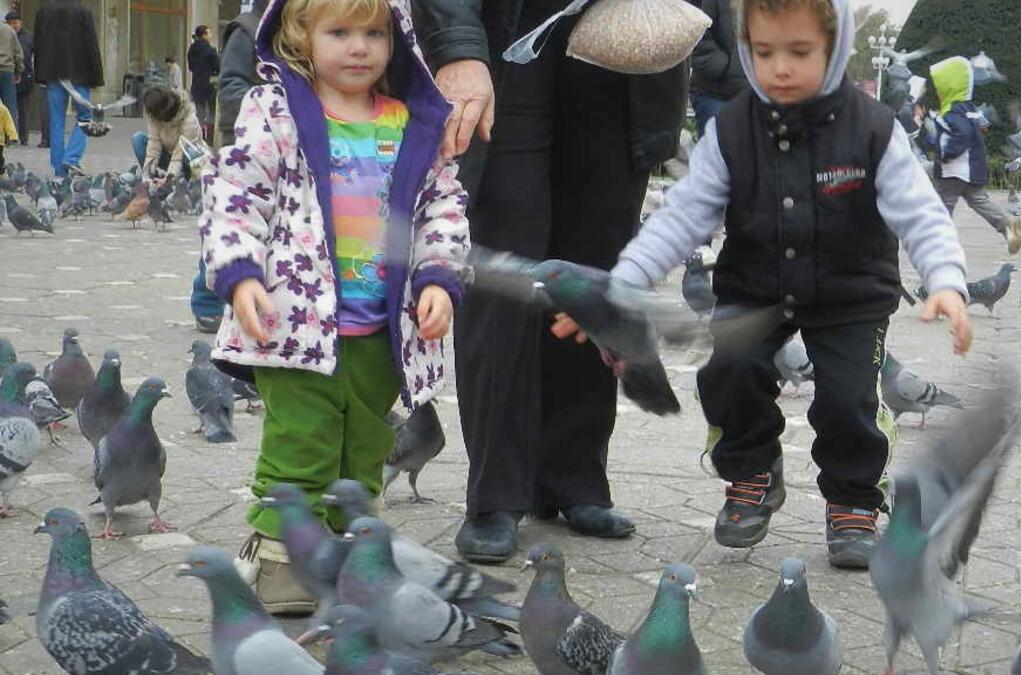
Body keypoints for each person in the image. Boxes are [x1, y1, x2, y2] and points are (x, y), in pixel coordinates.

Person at [556, 0, 971, 569]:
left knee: (849, 400)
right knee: (729, 370)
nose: (779, 68)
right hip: (754, 287)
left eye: (799, 52)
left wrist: (945, 279)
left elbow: (920, 212)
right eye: (763, 52)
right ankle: (751, 473)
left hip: (851, 295)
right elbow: (681, 217)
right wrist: (622, 284)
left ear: (834, 48)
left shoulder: (873, 129)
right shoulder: (731, 128)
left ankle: (852, 501)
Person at [200, 0, 469, 613]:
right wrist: (242, 278)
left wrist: (437, 278)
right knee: (302, 441)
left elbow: (442, 208)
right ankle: (280, 558)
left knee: (367, 443)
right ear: (301, 37)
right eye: (340, 32)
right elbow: (235, 194)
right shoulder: (277, 111)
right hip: (290, 325)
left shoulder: (412, 123)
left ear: (396, 38)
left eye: (374, 32)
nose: (359, 47)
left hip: (384, 328)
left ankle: (353, 553)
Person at [413, 0, 689, 564]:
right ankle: (496, 493)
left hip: (623, 44)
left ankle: (574, 477)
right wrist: (458, 47)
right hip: (506, 40)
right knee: (504, 268)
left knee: (595, 267)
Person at [192, 0, 268, 335]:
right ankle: (205, 302)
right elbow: (232, 85)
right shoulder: (248, 28)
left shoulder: (305, 25)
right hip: (242, 142)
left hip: (285, 151)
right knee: (227, 224)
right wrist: (270, 109)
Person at [928, 55, 1021, 255]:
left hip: (953, 169)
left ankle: (938, 245)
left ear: (949, 86)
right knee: (979, 200)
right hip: (971, 169)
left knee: (942, 206)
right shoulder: (969, 109)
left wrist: (945, 152)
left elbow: (961, 134)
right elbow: (979, 128)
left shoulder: (952, 112)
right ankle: (1007, 225)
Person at [34, 0, 102, 177]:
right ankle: (71, 157)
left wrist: (40, 75)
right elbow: (91, 45)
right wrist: (96, 76)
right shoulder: (82, 11)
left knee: (56, 121)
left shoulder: (43, 11)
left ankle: (59, 171)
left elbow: (38, 44)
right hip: (80, 74)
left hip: (53, 75)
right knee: (85, 118)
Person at [691, 0, 748, 136]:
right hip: (716, 94)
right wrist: (727, 68)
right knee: (717, 153)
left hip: (764, 97)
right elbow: (695, 30)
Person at [216, 0, 268, 147]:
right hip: (248, 137)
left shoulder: (290, 32)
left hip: (284, 140)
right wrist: (268, 116)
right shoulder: (247, 29)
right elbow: (231, 84)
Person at [131, 87, 202, 181]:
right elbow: (154, 145)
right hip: (169, 156)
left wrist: (168, 180)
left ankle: (190, 182)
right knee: (137, 138)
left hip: (188, 160)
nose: (151, 117)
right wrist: (147, 174)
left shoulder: (189, 119)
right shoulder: (155, 117)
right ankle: (154, 180)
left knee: (191, 152)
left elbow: (179, 153)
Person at [187, 25, 220, 143]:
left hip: (196, 85)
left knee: (199, 114)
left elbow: (190, 67)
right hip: (209, 86)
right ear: (204, 35)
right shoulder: (211, 50)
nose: (211, 35)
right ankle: (209, 139)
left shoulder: (191, 49)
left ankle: (198, 138)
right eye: (209, 33)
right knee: (211, 113)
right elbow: (218, 67)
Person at [5, 12, 31, 145]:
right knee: (7, 108)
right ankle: (9, 135)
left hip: (24, 77)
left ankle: (24, 136)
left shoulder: (28, 38)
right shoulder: (5, 35)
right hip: (8, 75)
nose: (13, 26)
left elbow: (29, 57)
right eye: (10, 23)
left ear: (20, 23)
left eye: (15, 23)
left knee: (23, 108)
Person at [0, 17, 22, 137]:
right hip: (7, 70)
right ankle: (11, 135)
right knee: (10, 104)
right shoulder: (9, 30)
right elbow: (18, 53)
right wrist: (19, 71)